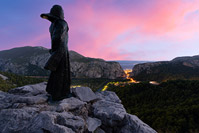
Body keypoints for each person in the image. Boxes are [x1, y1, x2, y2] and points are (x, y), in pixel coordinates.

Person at [40, 5, 71, 101]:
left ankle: (53, 91)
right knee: (62, 72)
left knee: (56, 72)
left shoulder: (52, 25)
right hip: (61, 50)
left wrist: (53, 51)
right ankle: (60, 94)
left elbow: (55, 38)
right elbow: (57, 38)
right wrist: (56, 51)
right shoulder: (62, 23)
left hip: (57, 49)